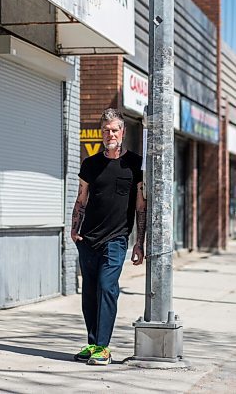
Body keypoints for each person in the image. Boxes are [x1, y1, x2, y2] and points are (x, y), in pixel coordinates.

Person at [71, 108, 146, 365]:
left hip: (116, 240)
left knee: (107, 287)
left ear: (123, 132)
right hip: (88, 239)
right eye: (105, 130)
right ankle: (93, 344)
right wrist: (74, 228)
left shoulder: (135, 164)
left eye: (114, 130)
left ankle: (103, 346)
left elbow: (140, 206)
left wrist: (139, 242)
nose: (109, 134)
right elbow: (81, 199)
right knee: (89, 293)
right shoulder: (90, 164)